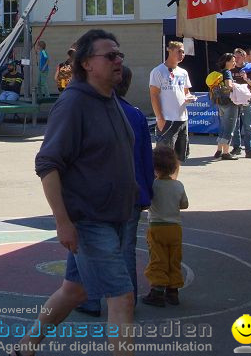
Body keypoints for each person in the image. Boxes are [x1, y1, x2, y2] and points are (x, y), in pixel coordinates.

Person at [20, 30, 136, 352]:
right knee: (122, 298)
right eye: (109, 56)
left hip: (117, 216)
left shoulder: (109, 97)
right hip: (90, 220)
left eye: (119, 54)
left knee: (75, 291)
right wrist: (62, 221)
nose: (118, 60)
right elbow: (47, 164)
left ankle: (25, 347)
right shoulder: (73, 104)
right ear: (87, 64)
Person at [76, 65, 154, 317]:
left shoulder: (93, 112)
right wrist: (146, 192)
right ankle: (127, 302)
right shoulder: (136, 114)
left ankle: (91, 299)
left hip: (99, 194)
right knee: (126, 249)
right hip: (131, 192)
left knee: (91, 249)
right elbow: (145, 158)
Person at [141, 146, 188, 307]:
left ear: (154, 167)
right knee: (174, 258)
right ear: (174, 166)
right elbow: (185, 204)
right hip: (175, 228)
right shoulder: (178, 185)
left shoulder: (153, 185)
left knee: (158, 258)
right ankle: (173, 291)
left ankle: (158, 291)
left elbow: (146, 202)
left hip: (157, 227)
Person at [148, 41, 196, 162]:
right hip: (167, 119)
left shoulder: (183, 72)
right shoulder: (158, 71)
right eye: (179, 51)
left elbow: (186, 92)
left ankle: (174, 180)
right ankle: (160, 180)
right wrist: (160, 118)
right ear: (169, 50)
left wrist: (190, 97)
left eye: (183, 52)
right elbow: (154, 95)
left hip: (182, 119)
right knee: (164, 158)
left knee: (179, 158)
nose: (182, 54)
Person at [230, 49, 251, 159]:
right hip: (234, 101)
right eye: (235, 57)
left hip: (247, 101)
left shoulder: (250, 69)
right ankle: (236, 148)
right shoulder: (230, 69)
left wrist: (247, 79)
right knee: (235, 126)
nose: (236, 59)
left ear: (244, 57)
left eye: (238, 57)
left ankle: (249, 150)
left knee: (248, 126)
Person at [212, 54, 240, 161]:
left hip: (220, 102)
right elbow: (229, 85)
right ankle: (226, 152)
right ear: (227, 62)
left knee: (223, 127)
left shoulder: (219, 72)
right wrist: (237, 87)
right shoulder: (227, 72)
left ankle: (219, 150)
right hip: (229, 103)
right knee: (229, 128)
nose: (234, 62)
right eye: (233, 61)